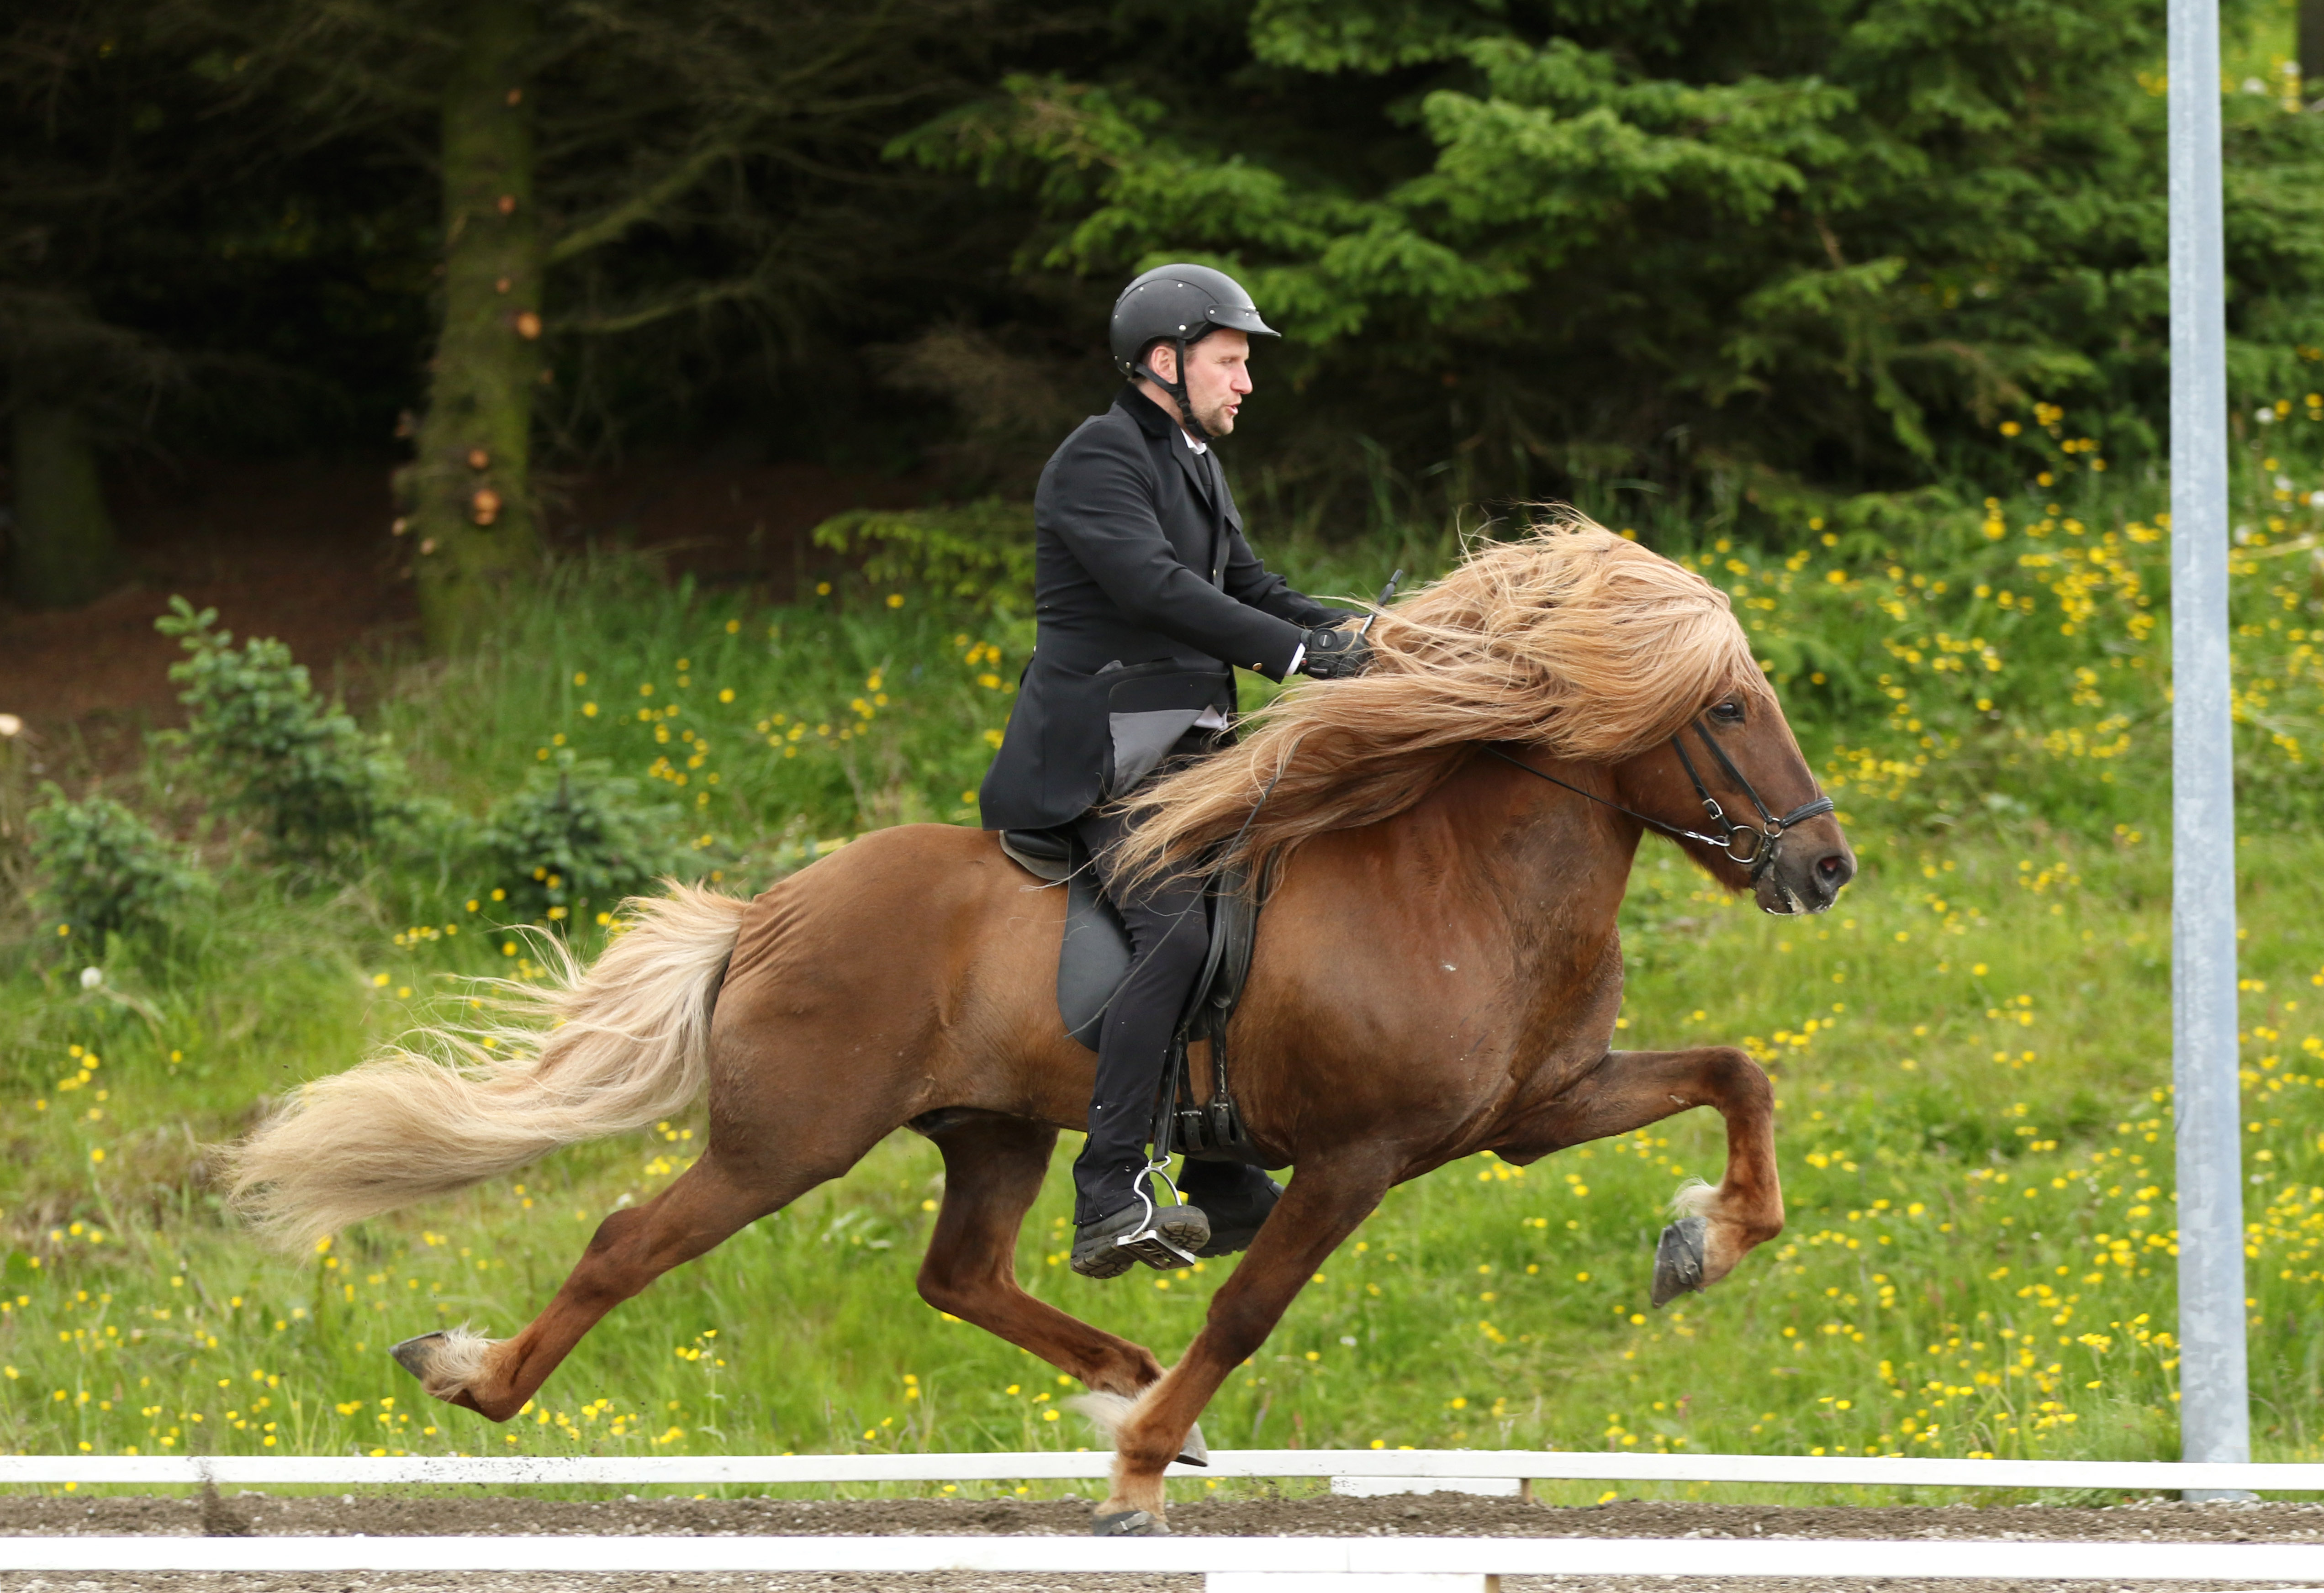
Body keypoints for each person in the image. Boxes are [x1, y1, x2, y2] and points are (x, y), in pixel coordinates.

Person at [979, 263, 1371, 1279]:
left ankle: (1217, 1168)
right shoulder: (1098, 459)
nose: (1246, 382)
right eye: (1231, 361)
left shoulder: (1193, 456)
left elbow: (1250, 583)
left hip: (1188, 754)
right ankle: (1110, 1188)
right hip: (1103, 761)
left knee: (1273, 904)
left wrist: (1364, 635)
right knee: (1178, 929)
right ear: (1167, 361)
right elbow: (1154, 590)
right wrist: (1289, 657)